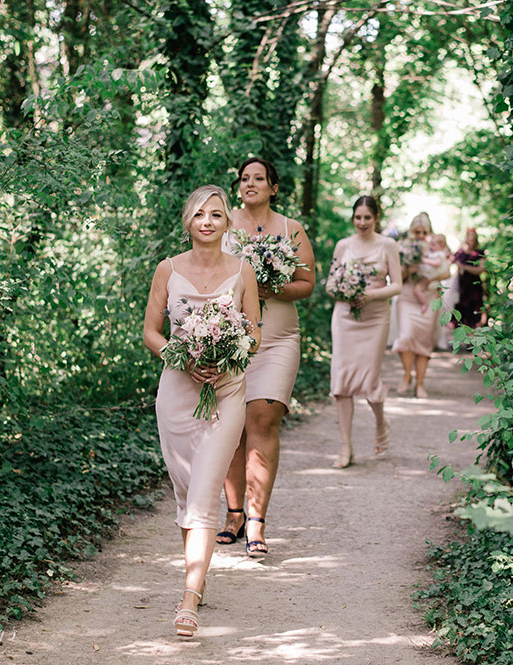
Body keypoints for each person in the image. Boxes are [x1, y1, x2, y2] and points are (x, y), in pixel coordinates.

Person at [143, 185, 261, 637]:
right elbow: (152, 331)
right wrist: (182, 355)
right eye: (199, 214)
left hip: (227, 391)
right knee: (186, 492)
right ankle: (199, 575)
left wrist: (229, 357)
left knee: (206, 491)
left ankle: (189, 597)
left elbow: (255, 335)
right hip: (176, 391)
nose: (208, 221)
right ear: (187, 222)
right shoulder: (167, 270)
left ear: (227, 222)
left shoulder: (243, 271)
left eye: (216, 214)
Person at [216, 157, 316, 559]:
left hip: (278, 341)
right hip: (233, 339)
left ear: (274, 187)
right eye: (244, 178)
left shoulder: (291, 229)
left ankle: (257, 521)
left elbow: (308, 283)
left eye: (259, 178)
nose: (250, 183)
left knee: (262, 419)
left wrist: (271, 287)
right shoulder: (222, 225)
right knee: (231, 427)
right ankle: (234, 513)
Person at [327, 195, 402, 467]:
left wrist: (370, 295)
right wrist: (344, 290)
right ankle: (345, 447)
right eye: (358, 217)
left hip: (375, 316)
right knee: (342, 381)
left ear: (376, 218)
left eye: (367, 217)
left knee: (370, 380)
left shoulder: (388, 245)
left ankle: (381, 422)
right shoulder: (342, 246)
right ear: (352, 218)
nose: (362, 222)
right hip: (345, 317)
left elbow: (397, 286)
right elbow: (329, 285)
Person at [392, 214, 450, 398]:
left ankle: (420, 384)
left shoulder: (434, 246)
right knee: (406, 337)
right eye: (417, 231)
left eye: (424, 232)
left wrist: (429, 278)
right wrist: (410, 268)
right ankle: (407, 375)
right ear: (411, 230)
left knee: (424, 343)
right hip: (408, 296)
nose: (420, 235)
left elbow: (447, 272)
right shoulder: (402, 247)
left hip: (428, 296)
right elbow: (396, 277)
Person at [453, 227, 486, 329]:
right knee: (461, 311)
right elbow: (452, 260)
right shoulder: (460, 252)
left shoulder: (479, 252)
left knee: (474, 310)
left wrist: (465, 267)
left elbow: (480, 269)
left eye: (473, 239)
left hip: (474, 285)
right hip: (462, 286)